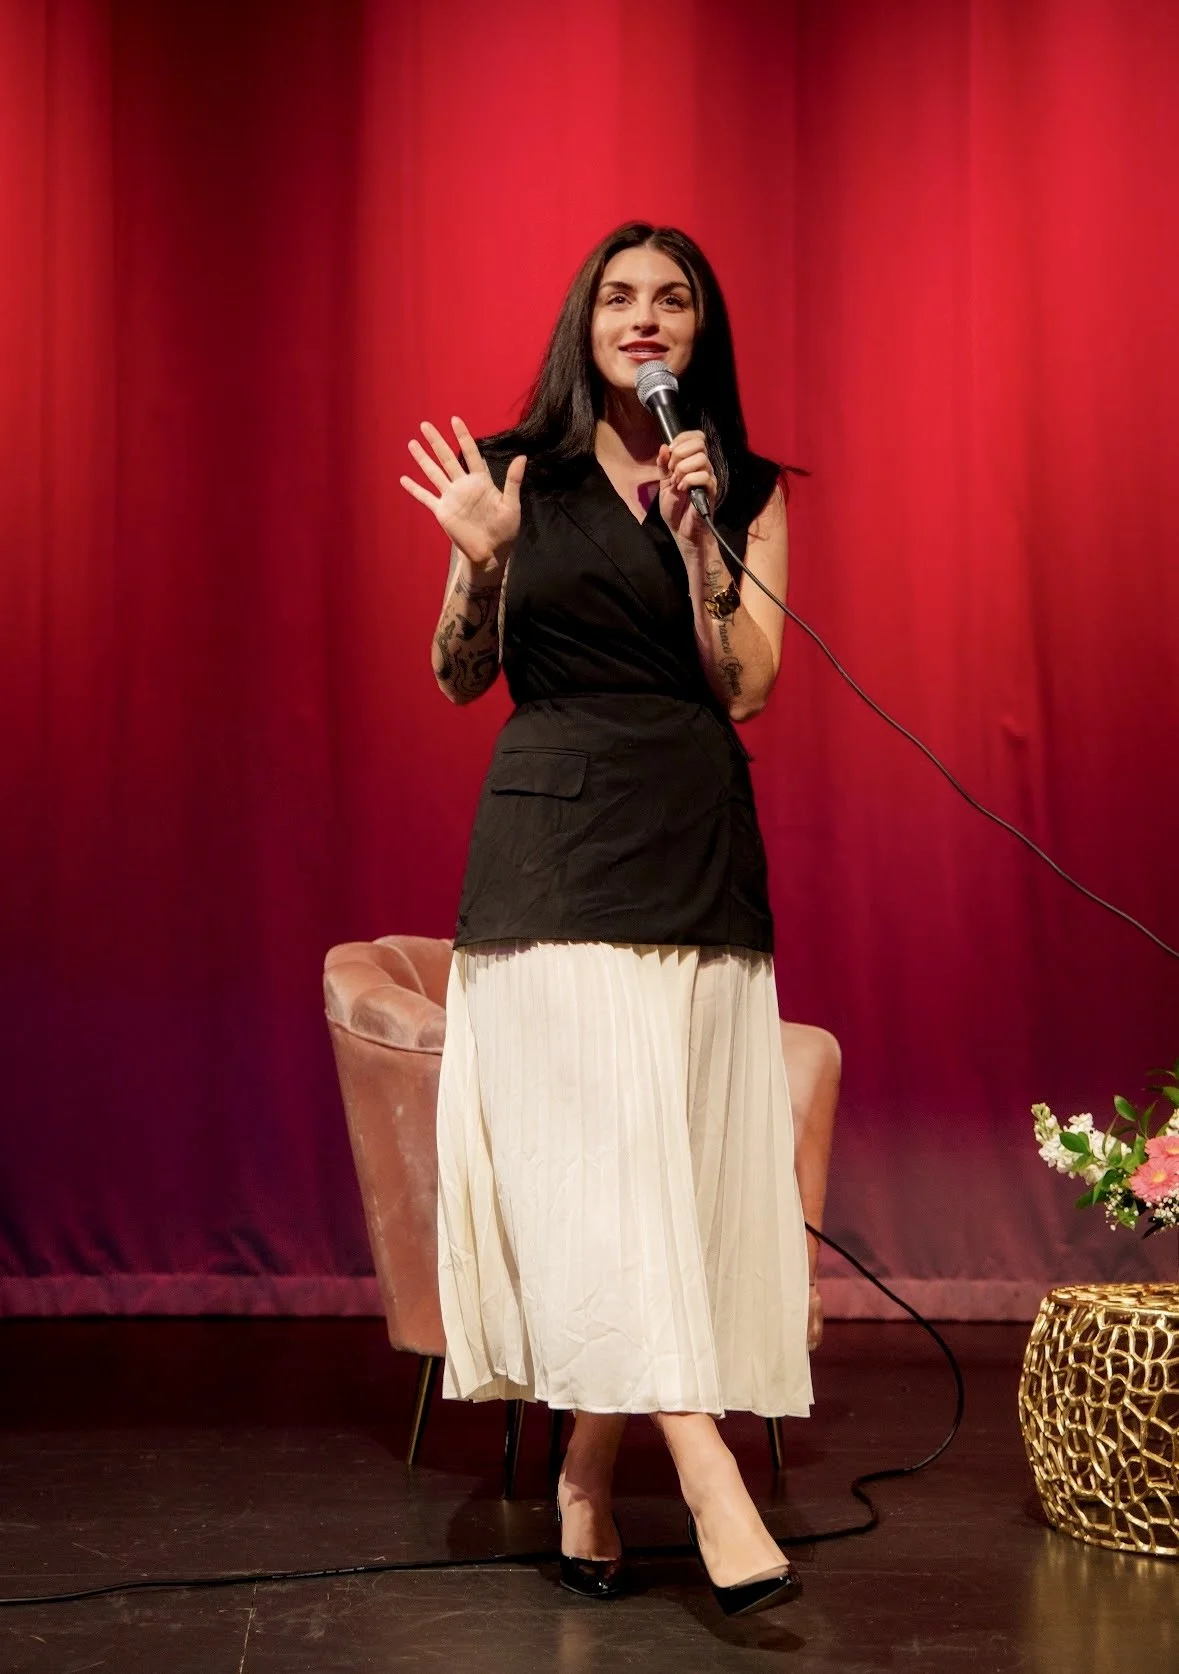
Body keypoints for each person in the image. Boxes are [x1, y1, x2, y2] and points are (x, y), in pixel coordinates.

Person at [399, 222, 811, 1617]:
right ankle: (706, 1478)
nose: (645, 318)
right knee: (595, 1171)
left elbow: (745, 685)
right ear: (584, 324)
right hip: (550, 849)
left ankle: (583, 1476)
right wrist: (474, 565)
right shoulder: (518, 473)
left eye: (672, 300)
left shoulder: (743, 488)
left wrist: (703, 542)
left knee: (666, 1188)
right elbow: (462, 676)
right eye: (619, 298)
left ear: (701, 333)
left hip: (695, 851)